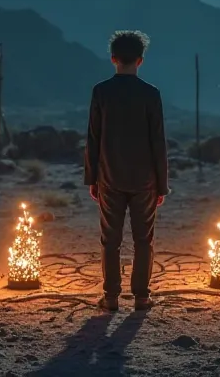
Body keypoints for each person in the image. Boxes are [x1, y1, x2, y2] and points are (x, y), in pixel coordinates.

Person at [84, 30, 169, 312]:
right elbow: (158, 142)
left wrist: (91, 179)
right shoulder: (151, 94)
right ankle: (142, 297)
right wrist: (162, 185)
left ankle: (110, 298)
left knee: (111, 240)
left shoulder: (101, 92)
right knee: (144, 239)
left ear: (113, 59)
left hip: (109, 177)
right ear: (140, 61)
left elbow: (93, 138)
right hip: (145, 180)